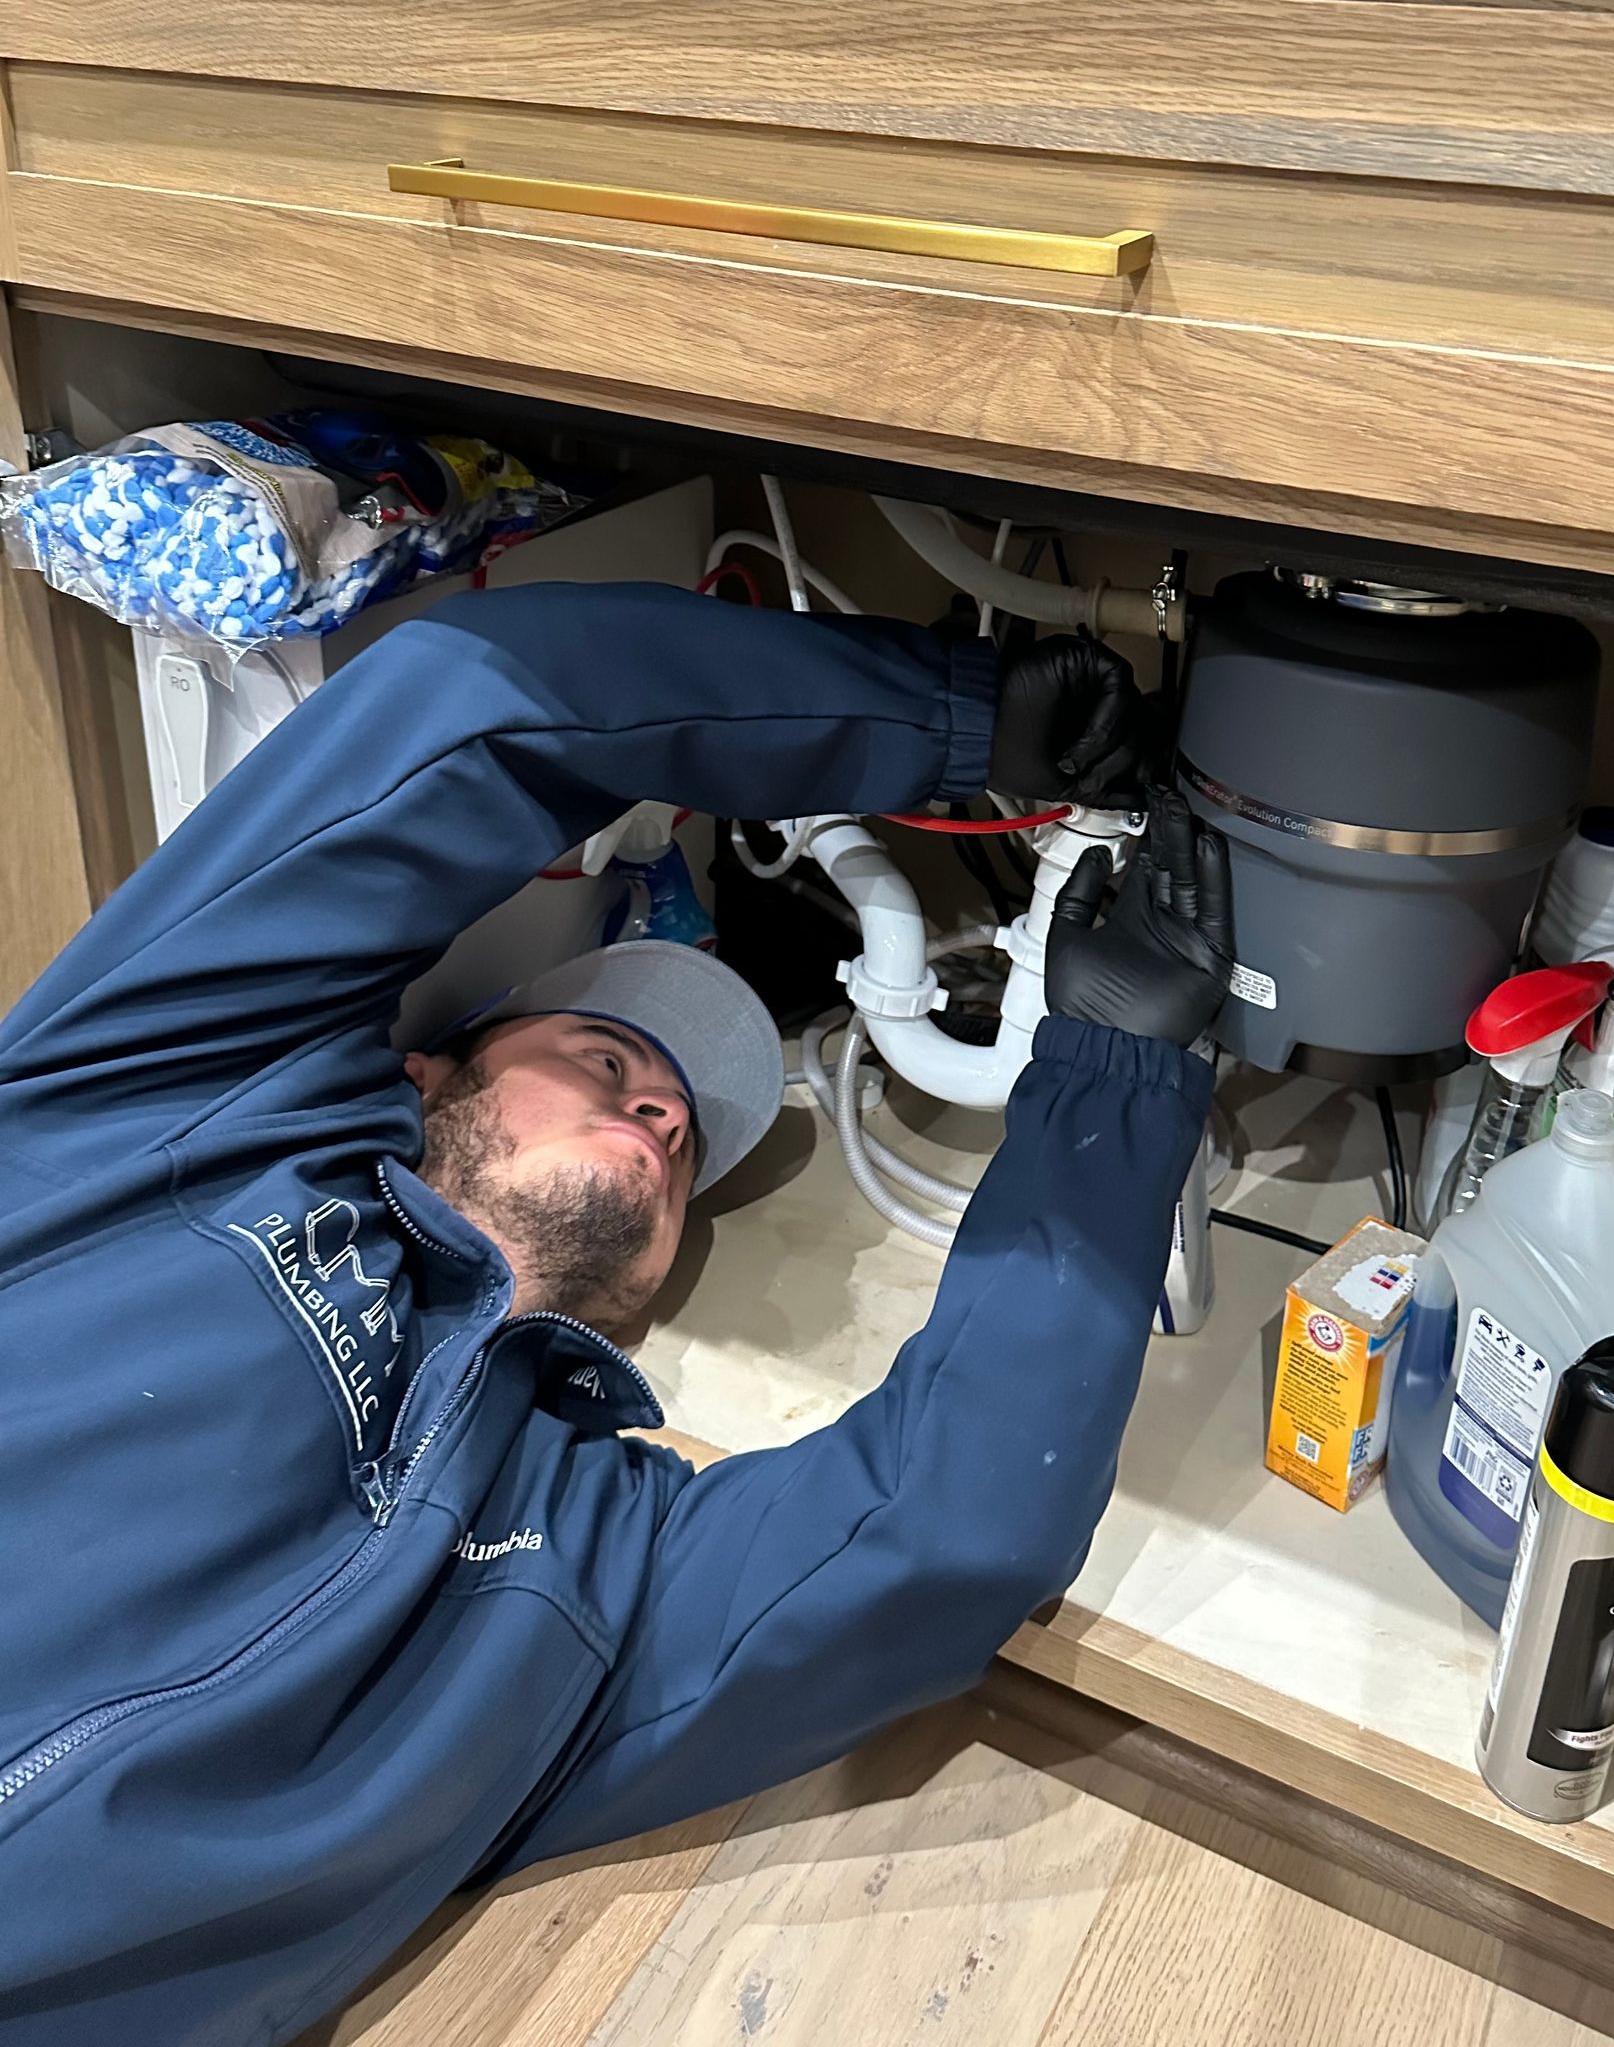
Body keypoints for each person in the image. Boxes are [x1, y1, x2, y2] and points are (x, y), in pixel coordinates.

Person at [0, 582, 1231, 2047]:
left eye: (687, 1140)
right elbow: (479, 702)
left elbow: (947, 1527)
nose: (657, 1103)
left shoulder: (592, 1573)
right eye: (598, 1055)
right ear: (425, 1075)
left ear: (645, 1301)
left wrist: (1113, 1079)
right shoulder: (159, 1115)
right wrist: (962, 716)